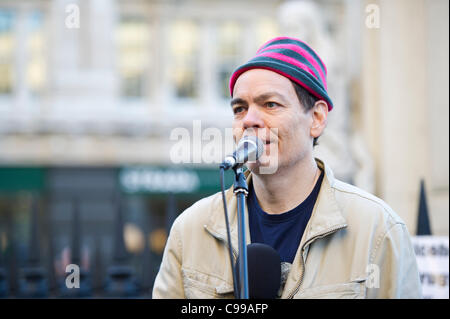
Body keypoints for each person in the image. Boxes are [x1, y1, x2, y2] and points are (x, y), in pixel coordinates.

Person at [152, 37, 422, 299]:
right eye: (239, 108)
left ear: (316, 118)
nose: (250, 120)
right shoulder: (189, 230)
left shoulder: (379, 230)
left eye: (270, 104)